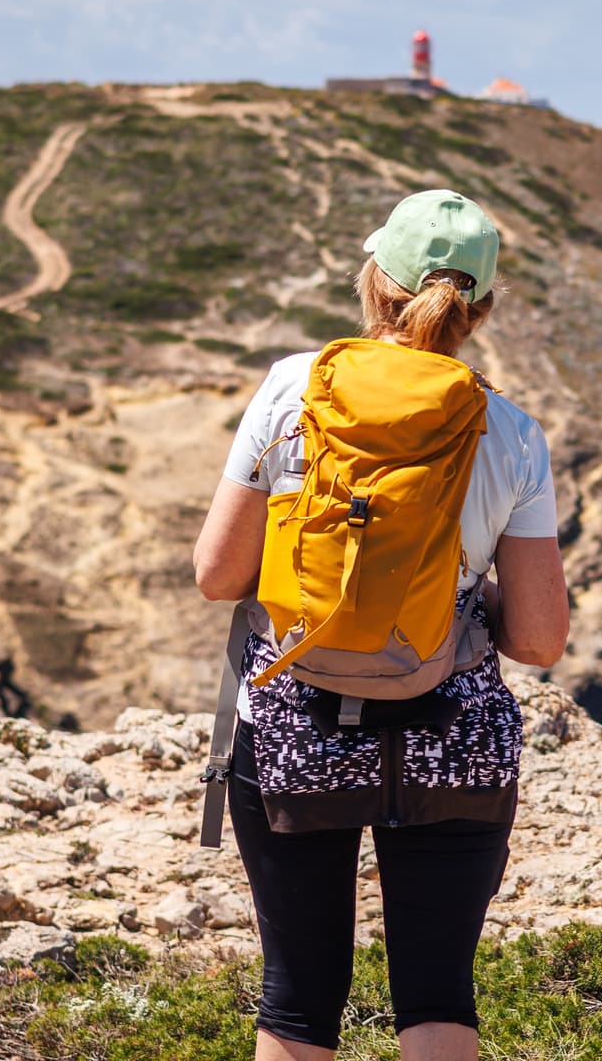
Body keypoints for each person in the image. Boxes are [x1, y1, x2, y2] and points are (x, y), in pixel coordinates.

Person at [193, 188, 569, 1061]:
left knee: (295, 1001)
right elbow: (540, 641)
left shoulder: (293, 387)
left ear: (377, 282)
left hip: (294, 724)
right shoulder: (511, 433)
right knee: (438, 997)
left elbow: (217, 576)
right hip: (450, 735)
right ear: (478, 309)